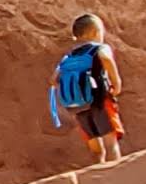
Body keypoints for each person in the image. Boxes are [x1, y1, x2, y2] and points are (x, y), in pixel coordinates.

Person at [49, 12, 127, 167]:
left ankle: (97, 169)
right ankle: (116, 173)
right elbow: (106, 58)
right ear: (95, 32)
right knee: (110, 144)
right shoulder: (99, 48)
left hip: (79, 107)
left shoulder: (69, 57)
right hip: (99, 101)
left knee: (96, 148)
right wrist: (116, 82)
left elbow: (53, 79)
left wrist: (73, 90)